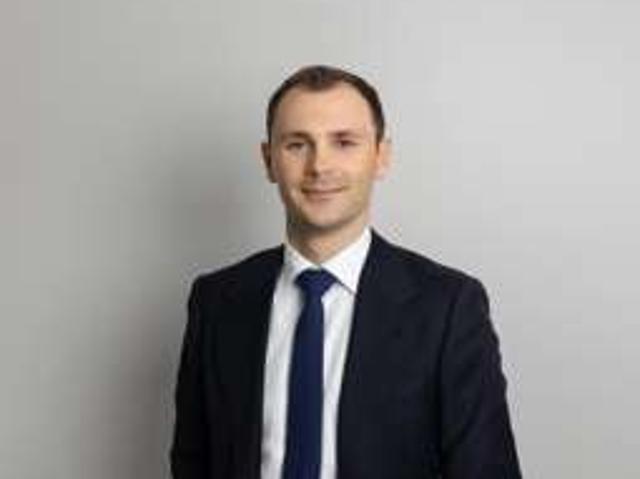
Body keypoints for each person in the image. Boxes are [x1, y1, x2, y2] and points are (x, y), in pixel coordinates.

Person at [170, 65, 522, 479]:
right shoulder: (217, 302)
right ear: (269, 161)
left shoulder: (448, 308)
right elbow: (192, 463)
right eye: (297, 144)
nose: (320, 166)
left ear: (381, 156)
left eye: (344, 142)